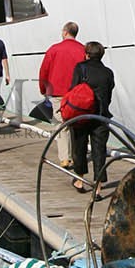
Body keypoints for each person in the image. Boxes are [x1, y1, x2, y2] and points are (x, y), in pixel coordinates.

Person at [68, 42, 115, 192]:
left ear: (86, 54)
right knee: (99, 151)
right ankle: (98, 187)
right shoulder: (108, 72)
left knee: (79, 148)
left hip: (81, 115)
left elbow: (73, 90)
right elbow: (109, 93)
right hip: (101, 116)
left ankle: (80, 181)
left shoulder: (80, 68)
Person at [39, 22, 86, 168]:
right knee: (76, 123)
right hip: (77, 93)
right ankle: (76, 155)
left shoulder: (54, 49)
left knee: (62, 124)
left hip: (58, 92)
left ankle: (65, 158)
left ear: (65, 32)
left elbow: (44, 71)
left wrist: (43, 88)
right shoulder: (82, 50)